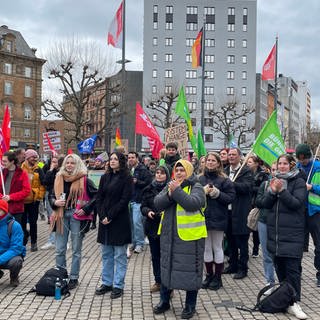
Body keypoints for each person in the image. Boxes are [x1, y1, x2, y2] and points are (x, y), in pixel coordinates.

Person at [153, 160, 206, 319]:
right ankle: (164, 300)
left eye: (183, 170)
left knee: (190, 272)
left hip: (190, 239)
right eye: (177, 170)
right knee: (166, 268)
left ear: (189, 171)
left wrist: (176, 191)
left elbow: (193, 203)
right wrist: (170, 193)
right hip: (169, 237)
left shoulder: (196, 186)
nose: (179, 173)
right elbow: (157, 203)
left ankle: (190, 305)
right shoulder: (170, 186)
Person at [258, 154, 307, 320]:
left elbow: (296, 204)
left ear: (292, 165)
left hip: (292, 234)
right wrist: (272, 191)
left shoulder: (298, 182)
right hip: (275, 236)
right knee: (280, 270)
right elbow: (264, 204)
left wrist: (282, 191)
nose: (282, 166)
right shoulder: (274, 181)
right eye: (280, 164)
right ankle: (287, 301)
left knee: (292, 271)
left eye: (285, 164)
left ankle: (295, 303)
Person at [49, 154, 97, 290]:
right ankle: (61, 275)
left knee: (76, 249)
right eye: (67, 163)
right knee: (59, 249)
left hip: (76, 216)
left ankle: (74, 277)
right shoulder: (59, 177)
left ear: (78, 164)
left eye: (72, 163)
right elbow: (51, 195)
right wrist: (55, 202)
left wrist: (86, 209)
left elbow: (97, 195)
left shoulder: (84, 179)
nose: (69, 165)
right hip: (61, 214)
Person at [95, 152, 133, 299]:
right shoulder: (105, 177)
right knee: (106, 254)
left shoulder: (127, 178)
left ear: (121, 161)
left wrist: (110, 216)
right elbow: (99, 197)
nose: (112, 161)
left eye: (115, 159)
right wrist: (102, 215)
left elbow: (125, 200)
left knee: (119, 255)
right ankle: (106, 283)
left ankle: (118, 285)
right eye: (110, 159)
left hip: (119, 220)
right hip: (105, 221)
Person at [199, 152, 235, 291]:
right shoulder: (199, 179)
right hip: (203, 217)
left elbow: (231, 198)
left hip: (219, 217)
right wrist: (202, 192)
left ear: (219, 163)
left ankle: (218, 277)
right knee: (206, 248)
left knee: (217, 247)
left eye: (213, 160)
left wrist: (217, 193)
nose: (210, 162)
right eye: (208, 160)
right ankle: (209, 275)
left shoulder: (224, 180)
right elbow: (193, 196)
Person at [224, 148, 253, 279]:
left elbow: (247, 188)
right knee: (230, 241)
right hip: (227, 212)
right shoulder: (224, 171)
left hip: (240, 212)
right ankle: (233, 264)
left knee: (242, 242)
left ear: (239, 156)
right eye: (229, 155)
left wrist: (232, 184)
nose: (231, 157)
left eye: (234, 155)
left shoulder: (246, 171)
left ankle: (243, 268)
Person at [140, 165, 170, 293]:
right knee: (155, 256)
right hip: (152, 226)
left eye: (162, 173)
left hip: (167, 226)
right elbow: (143, 206)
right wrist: (148, 212)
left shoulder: (171, 188)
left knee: (167, 257)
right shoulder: (148, 189)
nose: (159, 175)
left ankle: (168, 284)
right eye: (157, 173)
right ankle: (158, 281)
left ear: (167, 175)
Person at [295, 143, 320, 286]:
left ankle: (319, 274)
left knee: (319, 244)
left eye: (304, 159)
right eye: (299, 159)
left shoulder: (317, 167)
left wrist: (312, 187)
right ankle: (296, 271)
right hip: (300, 211)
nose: (302, 161)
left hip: (316, 211)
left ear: (309, 157)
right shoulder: (297, 169)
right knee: (297, 244)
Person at [255, 162, 277, 288]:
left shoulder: (286, 185)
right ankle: (270, 282)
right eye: (273, 169)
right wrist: (270, 193)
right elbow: (258, 202)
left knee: (278, 254)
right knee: (267, 254)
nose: (274, 172)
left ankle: (282, 282)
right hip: (264, 221)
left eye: (277, 169)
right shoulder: (265, 184)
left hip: (279, 223)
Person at [21, 149, 46, 252]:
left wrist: (39, 196)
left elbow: (43, 183)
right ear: (27, 158)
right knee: (21, 223)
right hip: (22, 201)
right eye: (33, 157)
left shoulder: (38, 169)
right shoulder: (21, 169)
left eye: (36, 157)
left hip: (34, 201)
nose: (35, 159)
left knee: (33, 223)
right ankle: (23, 241)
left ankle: (34, 243)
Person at [127, 151, 152, 254]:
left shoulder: (143, 170)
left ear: (137, 158)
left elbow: (148, 184)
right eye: (129, 158)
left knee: (137, 223)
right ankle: (133, 242)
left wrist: (137, 182)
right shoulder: (127, 170)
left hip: (139, 200)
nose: (130, 159)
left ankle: (140, 244)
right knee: (131, 223)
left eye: (132, 157)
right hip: (129, 201)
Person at [0, 151, 31, 226]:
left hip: (16, 209)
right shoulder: (1, 172)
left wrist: (11, 197)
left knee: (14, 231)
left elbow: (26, 191)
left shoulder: (22, 173)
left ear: (12, 161)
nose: (2, 163)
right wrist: (2, 197)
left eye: (5, 161)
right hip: (2, 208)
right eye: (2, 161)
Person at [247, 155, 269, 257]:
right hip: (247, 202)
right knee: (247, 224)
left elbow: (262, 189)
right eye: (247, 162)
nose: (247, 163)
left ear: (256, 163)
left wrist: (251, 188)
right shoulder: (246, 173)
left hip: (256, 203)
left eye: (250, 162)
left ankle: (255, 248)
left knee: (255, 226)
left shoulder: (262, 175)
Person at [0, 199, 26, 287]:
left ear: (4, 211)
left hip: (10, 256)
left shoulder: (14, 226)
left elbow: (16, 249)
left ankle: (14, 277)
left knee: (16, 261)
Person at [41, 155, 64, 250]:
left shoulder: (63, 172)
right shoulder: (51, 171)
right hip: (51, 197)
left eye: (56, 162)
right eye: (52, 162)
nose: (54, 163)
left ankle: (64, 241)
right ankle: (52, 240)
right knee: (52, 218)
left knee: (62, 218)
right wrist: (50, 170)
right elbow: (45, 182)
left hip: (61, 195)